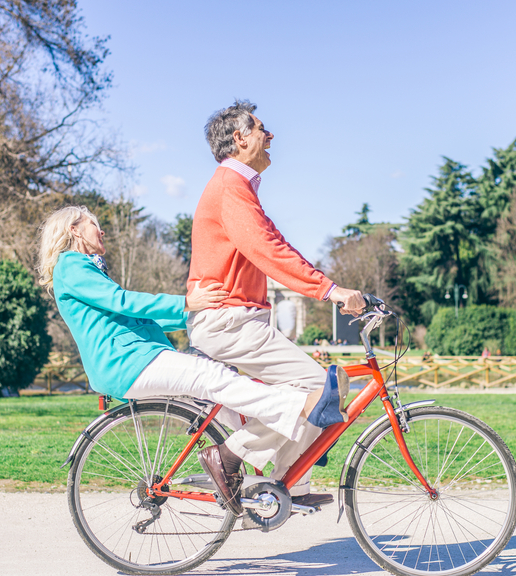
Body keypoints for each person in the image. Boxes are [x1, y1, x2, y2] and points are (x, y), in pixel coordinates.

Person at [37, 206, 349, 515]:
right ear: (74, 230)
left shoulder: (84, 269)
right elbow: (123, 302)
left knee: (232, 411)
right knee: (212, 376)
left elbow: (131, 314)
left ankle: (267, 490)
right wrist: (187, 302)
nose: (101, 230)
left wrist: (196, 314)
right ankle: (298, 407)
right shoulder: (72, 266)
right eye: (93, 224)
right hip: (128, 362)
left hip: (136, 360)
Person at [185, 100, 366, 510]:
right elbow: (267, 250)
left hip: (239, 321)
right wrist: (329, 291)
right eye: (263, 129)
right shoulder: (230, 187)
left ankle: (280, 484)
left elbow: (276, 244)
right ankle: (229, 457)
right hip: (231, 323)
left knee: (324, 389)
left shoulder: (239, 187)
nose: (271, 137)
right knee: (323, 387)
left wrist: (330, 285)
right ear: (240, 137)